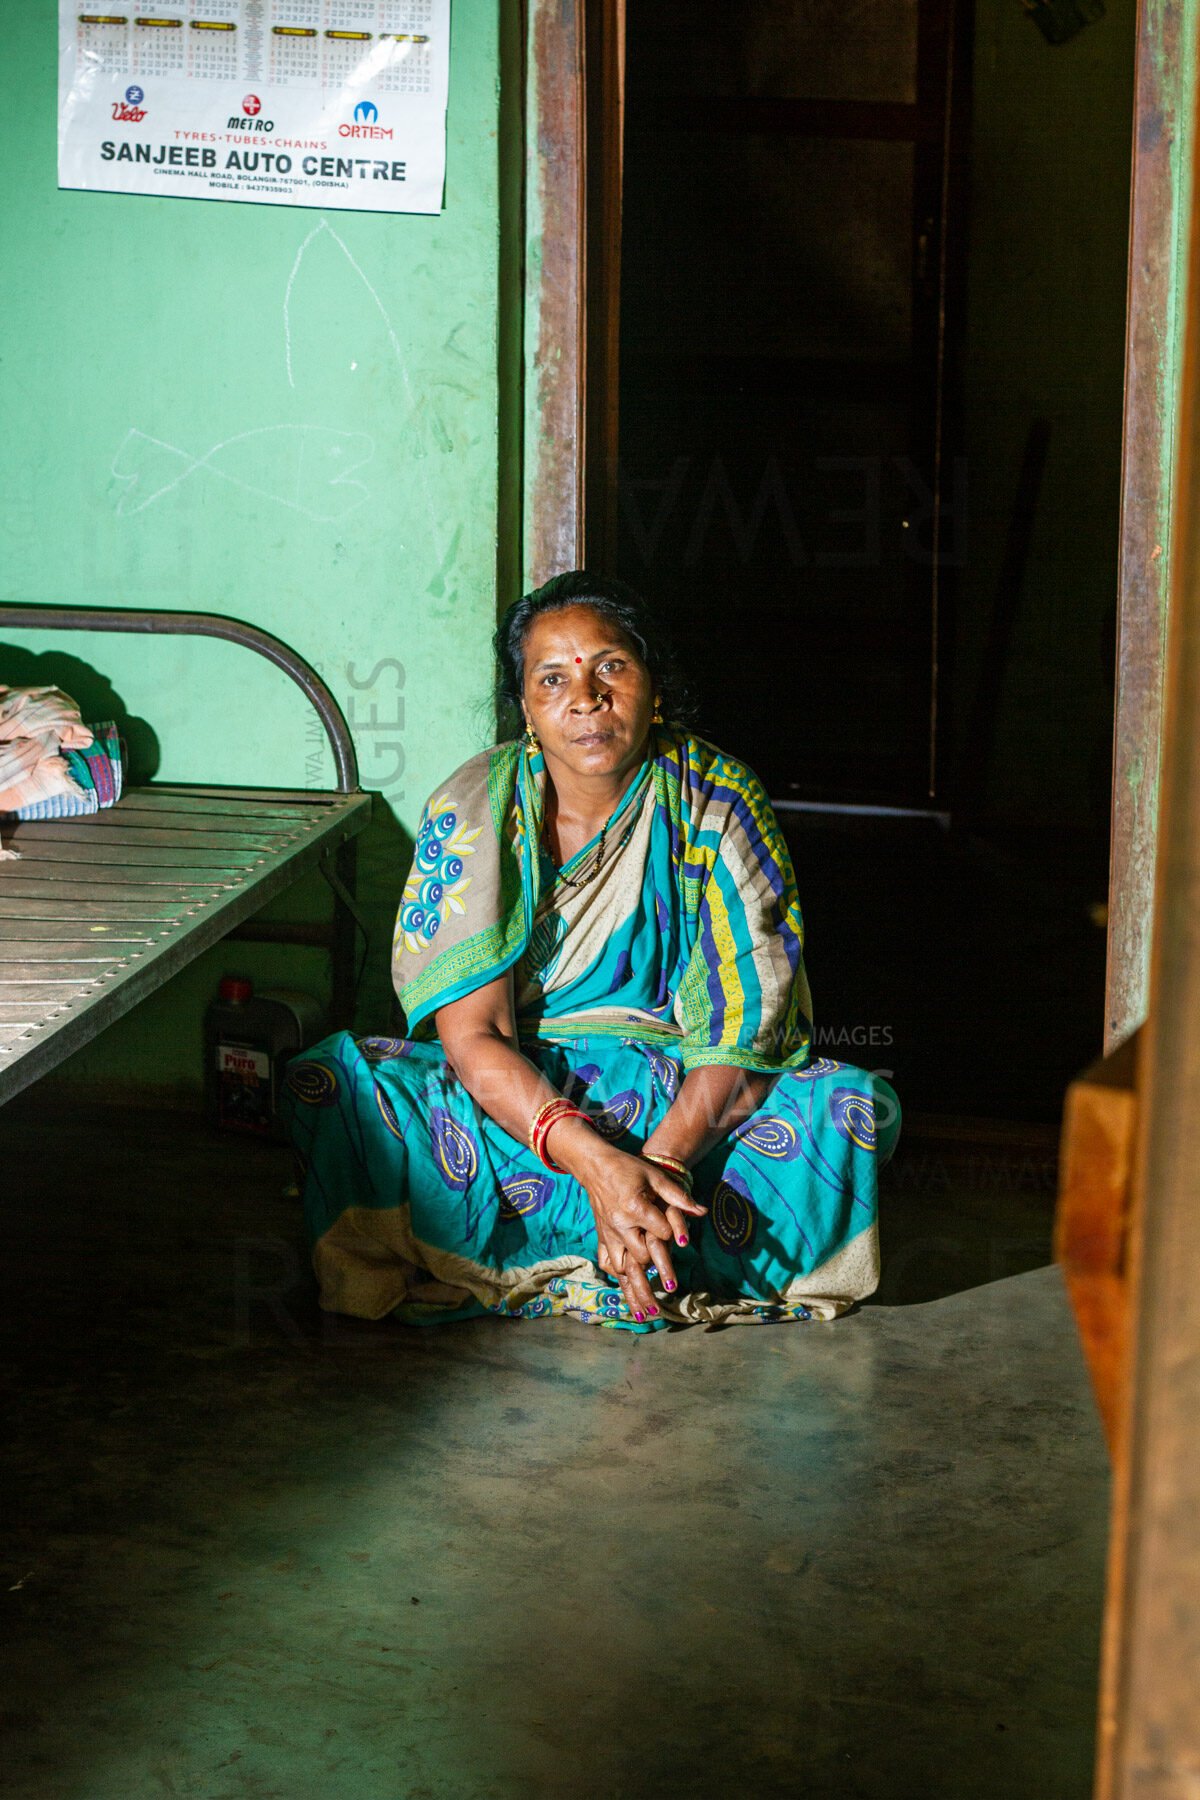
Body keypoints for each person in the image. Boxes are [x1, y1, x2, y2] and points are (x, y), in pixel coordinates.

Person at [286, 571, 900, 1332]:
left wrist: (659, 1165)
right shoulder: (477, 803)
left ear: (654, 686)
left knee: (847, 1108)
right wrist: (599, 1164)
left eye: (611, 667)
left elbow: (747, 1028)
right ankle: (649, 1243)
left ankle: (598, 1235)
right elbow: (475, 1036)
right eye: (553, 679)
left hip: (682, 1094)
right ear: (525, 709)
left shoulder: (717, 797)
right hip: (522, 1098)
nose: (586, 698)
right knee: (335, 1085)